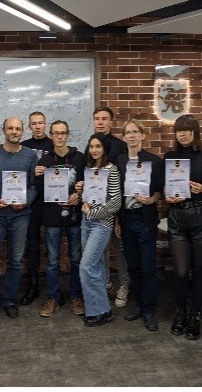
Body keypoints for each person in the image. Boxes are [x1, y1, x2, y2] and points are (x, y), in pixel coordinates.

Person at [0, 117, 38, 329]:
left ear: (22, 131)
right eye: (10, 128)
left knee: (16, 261)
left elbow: (34, 185)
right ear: (3, 130)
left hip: (21, 216)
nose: (14, 131)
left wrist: (26, 200)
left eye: (17, 128)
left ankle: (10, 301)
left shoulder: (30, 155)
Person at [164, 114, 202, 340]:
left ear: (195, 133)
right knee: (180, 271)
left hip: (200, 216)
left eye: (187, 130)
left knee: (198, 270)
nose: (183, 134)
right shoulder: (170, 157)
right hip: (177, 216)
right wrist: (167, 196)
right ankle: (181, 312)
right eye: (179, 130)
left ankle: (195, 316)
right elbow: (164, 185)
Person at [115, 119, 164, 331]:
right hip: (126, 219)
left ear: (143, 135)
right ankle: (139, 305)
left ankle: (149, 309)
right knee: (133, 266)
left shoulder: (154, 161)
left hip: (145, 219)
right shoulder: (119, 161)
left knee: (148, 267)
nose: (132, 135)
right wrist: (117, 221)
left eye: (136, 132)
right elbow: (115, 192)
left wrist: (152, 199)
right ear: (124, 137)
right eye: (128, 132)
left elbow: (160, 189)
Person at [35, 120, 85, 317]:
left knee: (76, 258)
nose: (60, 136)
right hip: (51, 217)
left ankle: (76, 296)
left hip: (75, 216)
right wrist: (36, 176)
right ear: (51, 135)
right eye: (56, 133)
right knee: (53, 260)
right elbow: (38, 189)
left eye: (63, 133)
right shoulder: (44, 160)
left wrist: (79, 194)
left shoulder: (80, 158)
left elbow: (89, 183)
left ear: (67, 134)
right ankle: (53, 298)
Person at [85, 106, 130, 307]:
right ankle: (105, 282)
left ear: (111, 122)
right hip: (95, 211)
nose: (100, 122)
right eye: (97, 118)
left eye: (104, 118)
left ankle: (125, 284)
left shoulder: (120, 146)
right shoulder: (90, 146)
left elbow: (123, 184)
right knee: (99, 250)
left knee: (120, 249)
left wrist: (118, 217)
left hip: (115, 208)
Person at [76, 133, 122, 327]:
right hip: (86, 222)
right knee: (95, 267)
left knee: (86, 267)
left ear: (105, 149)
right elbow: (89, 199)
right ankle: (100, 309)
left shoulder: (112, 170)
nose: (94, 150)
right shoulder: (89, 169)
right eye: (91, 146)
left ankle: (99, 310)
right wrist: (80, 191)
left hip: (101, 224)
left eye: (98, 146)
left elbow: (116, 203)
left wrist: (93, 213)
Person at [19, 111, 53, 306]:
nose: (38, 126)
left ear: (45, 124)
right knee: (31, 244)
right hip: (31, 202)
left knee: (52, 244)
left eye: (41, 123)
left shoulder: (53, 145)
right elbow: (18, 173)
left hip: (51, 202)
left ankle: (53, 288)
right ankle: (33, 285)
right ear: (29, 126)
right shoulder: (24, 147)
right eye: (34, 123)